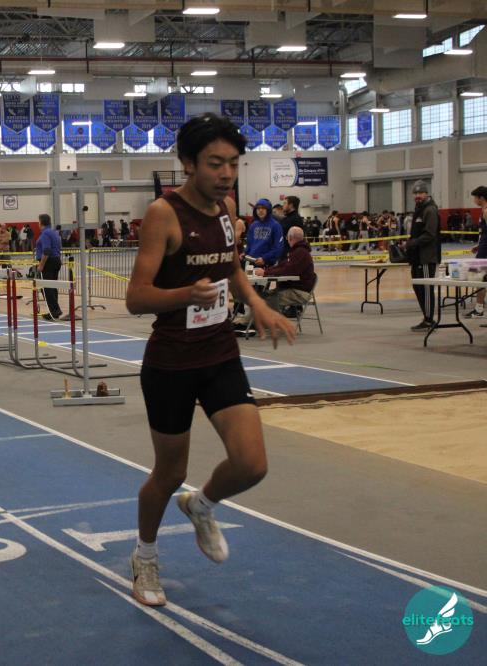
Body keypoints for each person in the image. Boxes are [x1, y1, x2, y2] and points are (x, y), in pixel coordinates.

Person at [124, 113, 296, 607]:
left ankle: (200, 506)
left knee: (251, 464)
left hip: (219, 353)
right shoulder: (163, 214)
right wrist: (186, 294)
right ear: (188, 163)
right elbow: (136, 298)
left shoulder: (226, 208)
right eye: (215, 163)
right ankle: (145, 556)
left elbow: (232, 267)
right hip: (171, 362)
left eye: (233, 164)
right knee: (168, 474)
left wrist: (257, 302)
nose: (226, 174)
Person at [233, 226, 316, 332]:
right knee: (263, 296)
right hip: (293, 289)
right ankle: (249, 322)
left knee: (265, 299)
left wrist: (266, 272)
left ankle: (245, 323)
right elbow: (282, 266)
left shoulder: (300, 253)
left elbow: (288, 270)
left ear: (290, 238)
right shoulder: (297, 252)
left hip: (298, 292)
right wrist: (266, 271)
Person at [406, 180, 441, 331]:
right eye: (415, 193)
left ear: (426, 193)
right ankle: (426, 317)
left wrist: (412, 243)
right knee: (417, 286)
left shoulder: (430, 210)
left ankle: (429, 320)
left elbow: (430, 234)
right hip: (417, 257)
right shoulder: (419, 209)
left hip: (427, 257)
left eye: (420, 193)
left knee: (426, 289)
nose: (417, 196)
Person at [463, 185, 487, 320]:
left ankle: (479, 309)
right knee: (479, 279)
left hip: (485, 252)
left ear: (481, 198)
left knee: (478, 278)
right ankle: (479, 309)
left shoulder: (486, 211)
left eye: (475, 198)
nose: (474, 200)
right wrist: (479, 245)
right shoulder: (483, 211)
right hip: (483, 248)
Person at [34, 213, 63, 321]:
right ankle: (53, 311)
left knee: (46, 288)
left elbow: (46, 250)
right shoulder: (53, 232)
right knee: (52, 286)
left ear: (41, 222)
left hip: (48, 262)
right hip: (56, 260)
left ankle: (55, 310)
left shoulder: (45, 233)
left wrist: (41, 265)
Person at [244, 199, 284, 267]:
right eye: (258, 208)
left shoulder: (276, 225)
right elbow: (249, 244)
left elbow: (278, 247)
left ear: (268, 210)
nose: (260, 210)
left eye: (263, 208)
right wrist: (245, 253)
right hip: (252, 262)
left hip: (267, 264)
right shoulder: (253, 225)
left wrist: (264, 258)